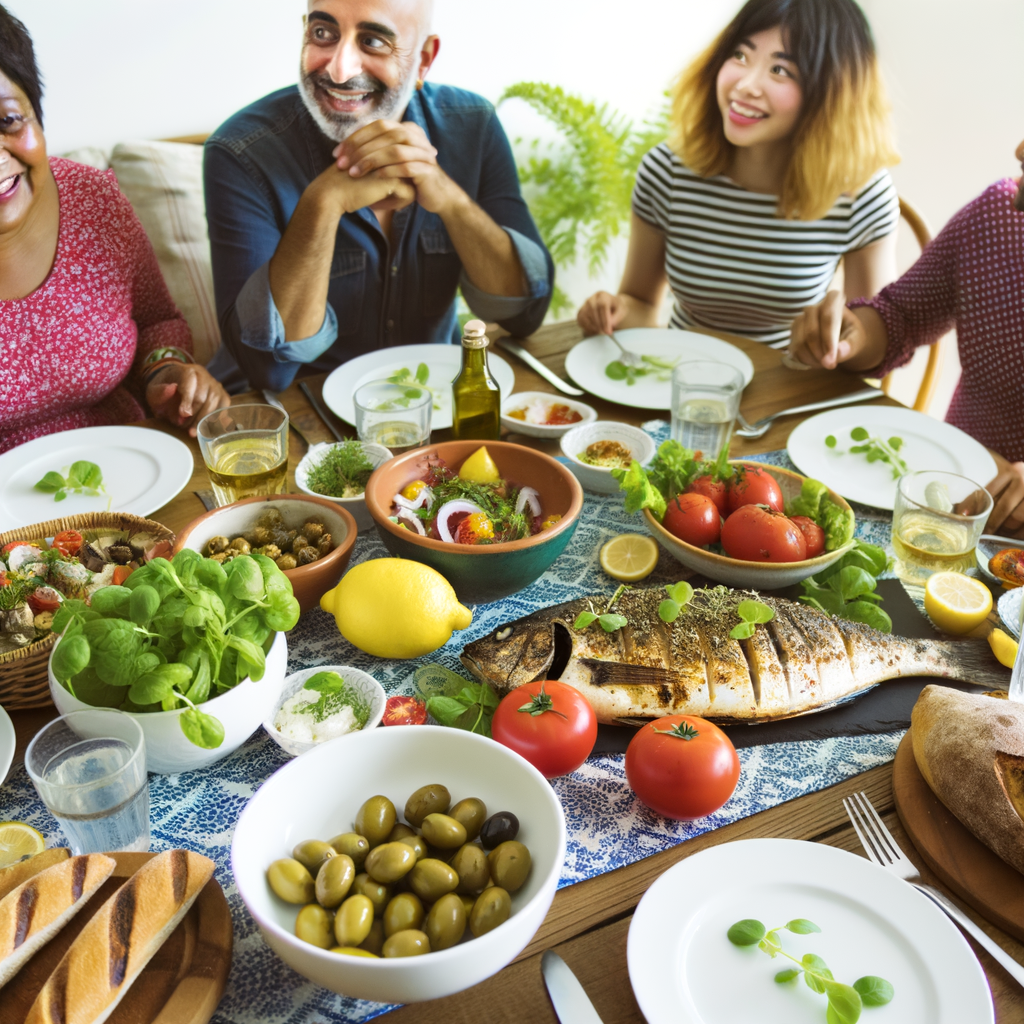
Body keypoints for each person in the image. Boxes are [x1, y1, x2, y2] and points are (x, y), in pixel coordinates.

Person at [203, 0, 553, 393]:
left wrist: (450, 200)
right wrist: (323, 202)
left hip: (433, 401)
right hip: (296, 413)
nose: (339, 68)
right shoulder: (240, 151)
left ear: (423, 60)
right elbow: (268, 370)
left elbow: (525, 313)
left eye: (372, 41)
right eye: (323, 33)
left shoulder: (473, 126)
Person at [577, 0, 899, 349]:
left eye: (780, 70)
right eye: (740, 56)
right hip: (680, 380)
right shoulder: (668, 172)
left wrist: (843, 344)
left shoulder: (860, 194)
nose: (746, 85)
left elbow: (874, 343)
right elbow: (642, 307)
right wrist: (612, 312)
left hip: (789, 387)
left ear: (832, 93)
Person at [0, 7, 228, 455]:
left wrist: (168, 376)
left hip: (134, 471)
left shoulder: (91, 199)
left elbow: (156, 321)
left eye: (7, 120)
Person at [787, 137, 1024, 538]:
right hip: (944, 511)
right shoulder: (997, 215)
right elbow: (902, 315)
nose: (1019, 149)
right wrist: (852, 335)